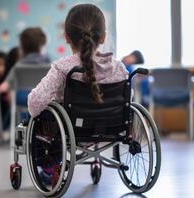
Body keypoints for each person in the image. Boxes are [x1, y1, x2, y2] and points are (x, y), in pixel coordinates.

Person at [27, 4, 128, 185]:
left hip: (72, 129)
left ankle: (50, 168)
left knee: (40, 117)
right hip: (111, 127)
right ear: (104, 36)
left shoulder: (63, 68)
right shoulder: (119, 68)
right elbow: (128, 98)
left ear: (66, 37)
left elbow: (35, 104)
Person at [0, 27, 50, 94]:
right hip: (45, 103)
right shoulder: (51, 67)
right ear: (42, 44)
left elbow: (3, 88)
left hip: (21, 103)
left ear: (22, 46)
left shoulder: (17, 67)